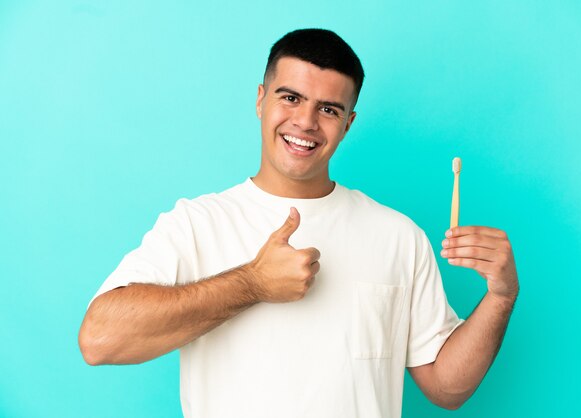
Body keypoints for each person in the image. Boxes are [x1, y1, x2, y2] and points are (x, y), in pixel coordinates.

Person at [79, 28, 519, 418]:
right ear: (260, 99)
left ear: (348, 124)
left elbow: (446, 388)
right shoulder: (195, 223)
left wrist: (501, 297)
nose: (305, 122)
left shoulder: (398, 236)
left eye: (328, 109)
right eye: (290, 98)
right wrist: (252, 283)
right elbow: (100, 340)